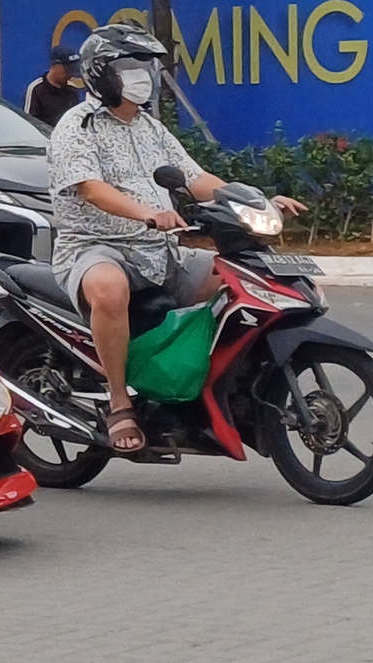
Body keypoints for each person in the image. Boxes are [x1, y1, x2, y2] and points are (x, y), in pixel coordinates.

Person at [45, 23, 303, 457]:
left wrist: (254, 203)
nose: (143, 76)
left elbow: (195, 179)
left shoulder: (150, 128)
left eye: (146, 66)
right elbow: (90, 187)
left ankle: (209, 386)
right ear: (102, 74)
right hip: (95, 247)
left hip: (159, 251)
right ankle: (120, 402)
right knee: (109, 290)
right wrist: (146, 211)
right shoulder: (77, 126)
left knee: (236, 280)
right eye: (132, 66)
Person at [22, 43, 84, 130]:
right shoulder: (36, 89)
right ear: (54, 65)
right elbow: (29, 123)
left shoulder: (72, 90)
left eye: (73, 69)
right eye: (67, 69)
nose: (70, 74)